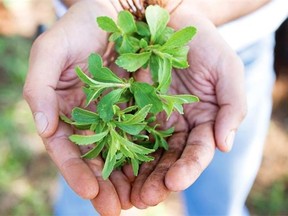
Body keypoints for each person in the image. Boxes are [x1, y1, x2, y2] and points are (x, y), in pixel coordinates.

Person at [23, 0, 288, 215]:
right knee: (87, 186)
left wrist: (197, 10)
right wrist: (103, 5)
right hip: (92, 44)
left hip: (234, 42)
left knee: (219, 200)